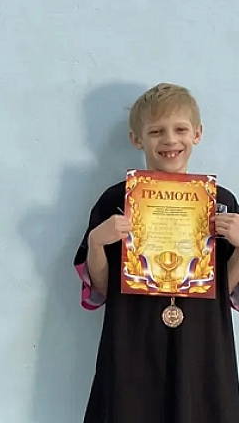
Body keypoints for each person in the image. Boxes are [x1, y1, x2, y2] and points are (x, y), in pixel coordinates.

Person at [74, 83, 239, 423]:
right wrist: (96, 243)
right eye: (156, 131)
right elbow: (102, 287)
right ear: (137, 139)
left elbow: (224, 286)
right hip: (132, 339)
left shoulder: (221, 202)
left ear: (197, 134)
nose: (170, 140)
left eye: (180, 129)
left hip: (202, 344)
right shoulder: (115, 200)